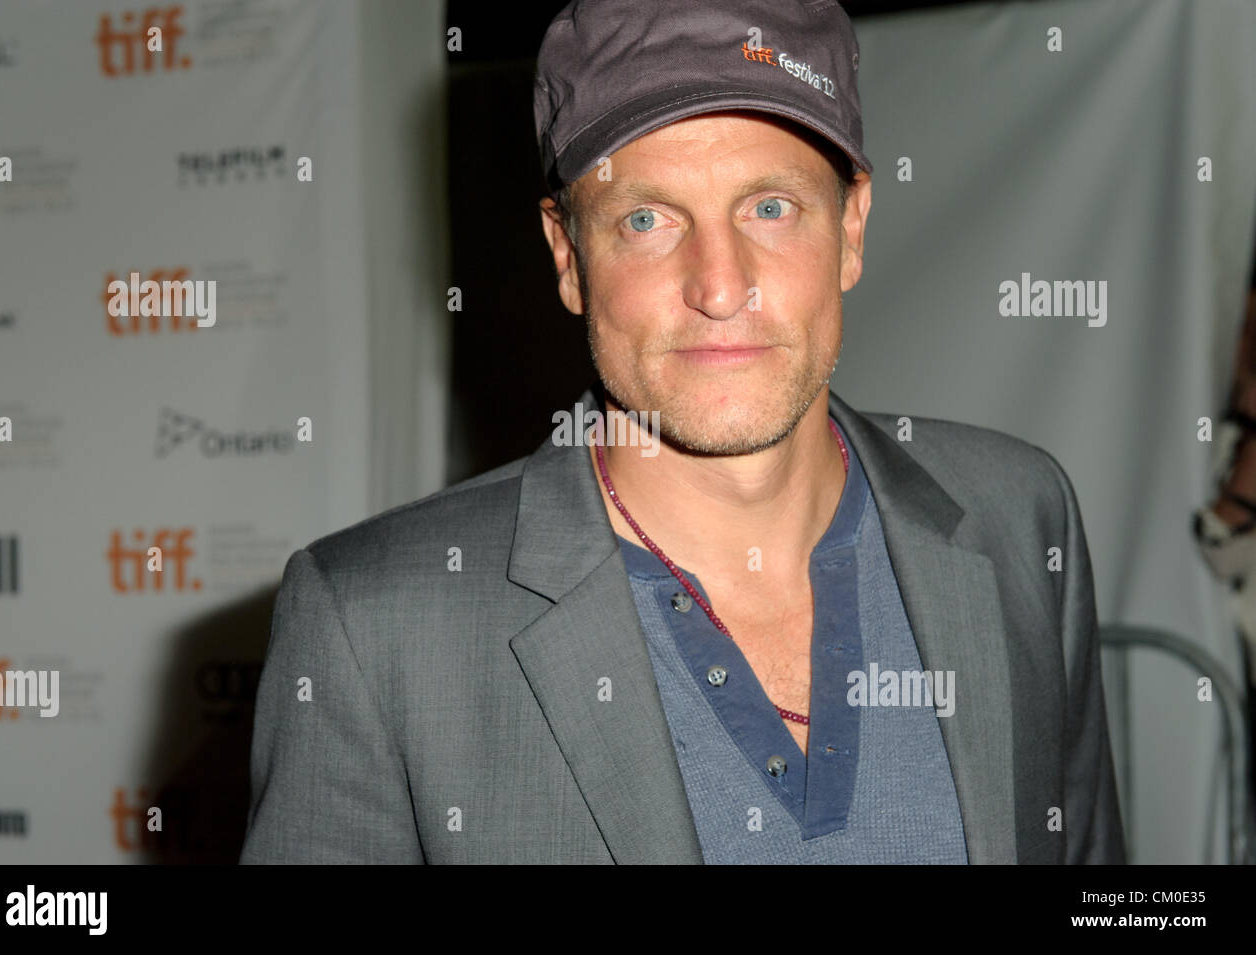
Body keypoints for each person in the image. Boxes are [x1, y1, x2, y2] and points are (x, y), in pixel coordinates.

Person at [240, 0, 1125, 864]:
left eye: (770, 207)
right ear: (568, 255)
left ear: (851, 227)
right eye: (646, 219)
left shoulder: (1018, 515)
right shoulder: (374, 626)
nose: (718, 283)